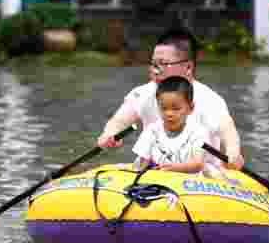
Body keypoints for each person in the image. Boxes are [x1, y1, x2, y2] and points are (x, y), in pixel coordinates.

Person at [97, 28, 244, 170]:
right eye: (154, 64)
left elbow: (227, 130)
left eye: (163, 64)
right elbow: (119, 121)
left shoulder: (209, 99)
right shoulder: (143, 93)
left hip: (199, 175)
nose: (155, 70)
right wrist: (109, 134)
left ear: (188, 67)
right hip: (153, 170)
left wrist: (233, 152)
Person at [132, 76, 219, 175]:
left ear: (190, 108)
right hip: (157, 180)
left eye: (176, 109)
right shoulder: (152, 131)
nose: (169, 114)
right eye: (164, 108)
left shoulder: (199, 133)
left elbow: (197, 164)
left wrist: (174, 168)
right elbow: (143, 163)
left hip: (187, 183)